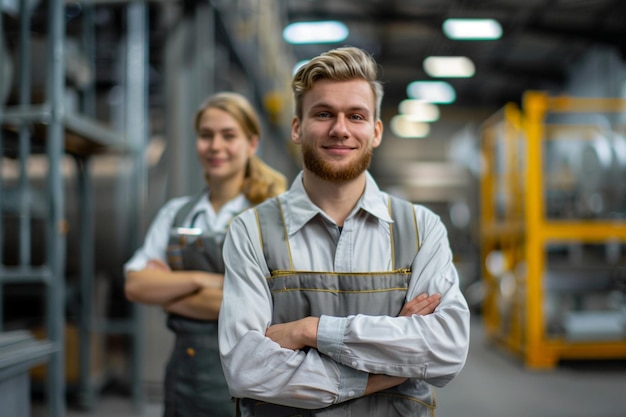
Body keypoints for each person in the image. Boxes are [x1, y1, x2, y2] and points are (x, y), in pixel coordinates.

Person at [217, 47, 470, 417]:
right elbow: (246, 369)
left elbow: (446, 351)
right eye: (323, 114)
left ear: (376, 130)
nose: (340, 129)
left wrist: (310, 330)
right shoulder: (251, 231)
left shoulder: (420, 229)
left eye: (356, 115)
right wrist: (382, 367)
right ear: (297, 127)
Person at [124, 91, 287, 417]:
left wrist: (173, 295)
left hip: (256, 378)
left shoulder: (273, 216)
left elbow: (276, 303)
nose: (215, 146)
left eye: (229, 135)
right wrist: (207, 280)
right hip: (186, 376)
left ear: (251, 144)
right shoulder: (176, 213)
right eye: (206, 135)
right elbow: (136, 286)